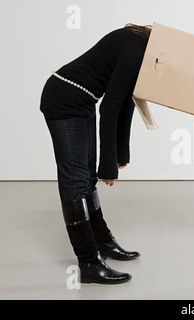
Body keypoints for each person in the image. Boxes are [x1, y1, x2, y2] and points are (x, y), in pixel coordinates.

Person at [40, 24, 152, 284]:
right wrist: (108, 165)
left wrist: (120, 153)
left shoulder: (137, 43)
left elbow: (126, 101)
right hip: (65, 99)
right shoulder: (136, 51)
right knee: (76, 180)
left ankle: (103, 242)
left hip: (81, 99)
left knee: (85, 177)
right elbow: (110, 107)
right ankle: (89, 262)